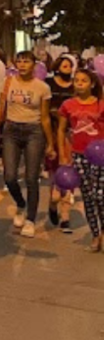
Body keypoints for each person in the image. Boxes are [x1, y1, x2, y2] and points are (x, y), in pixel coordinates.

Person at [0, 50, 56, 239]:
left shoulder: (42, 87)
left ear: (34, 65)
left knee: (31, 178)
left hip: (34, 131)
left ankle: (30, 219)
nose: (22, 65)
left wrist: (50, 143)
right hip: (11, 130)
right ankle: (21, 203)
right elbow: (1, 107)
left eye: (26, 61)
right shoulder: (8, 82)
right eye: (19, 61)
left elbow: (45, 117)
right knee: (10, 176)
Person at [58, 68, 104, 252]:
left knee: (100, 195)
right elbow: (61, 130)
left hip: (100, 156)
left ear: (92, 84)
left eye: (84, 81)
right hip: (78, 155)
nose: (79, 84)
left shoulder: (100, 104)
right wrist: (63, 153)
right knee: (87, 196)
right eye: (76, 80)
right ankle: (95, 235)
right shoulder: (68, 105)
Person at [47, 55, 78, 232]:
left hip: (71, 133)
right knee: (55, 170)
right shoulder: (49, 84)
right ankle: (53, 203)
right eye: (64, 65)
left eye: (70, 66)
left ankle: (65, 217)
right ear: (57, 67)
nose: (67, 68)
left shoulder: (75, 86)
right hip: (52, 132)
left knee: (70, 171)